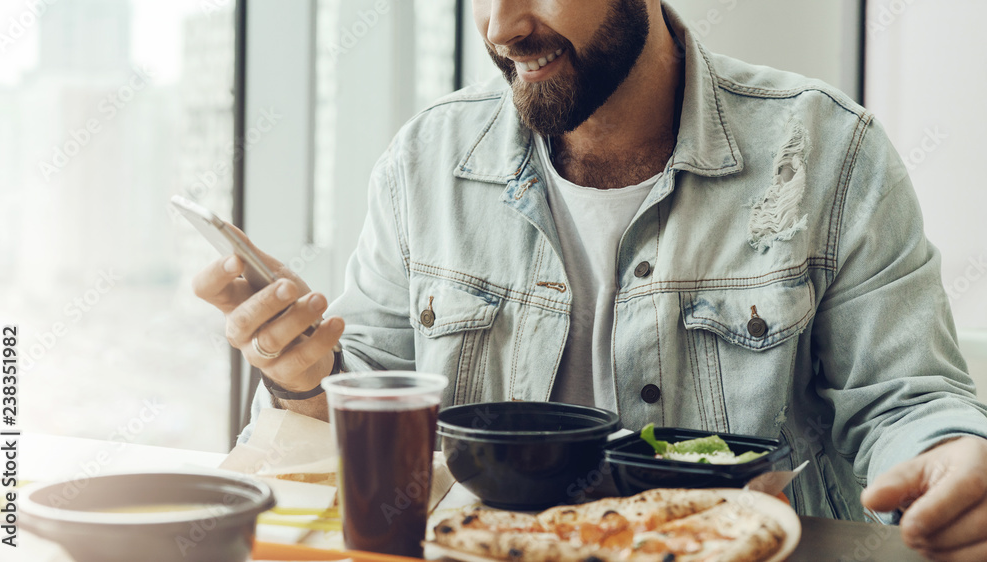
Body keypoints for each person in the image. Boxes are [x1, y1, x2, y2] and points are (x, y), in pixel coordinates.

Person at [193, 1, 987, 559]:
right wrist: (307, 374)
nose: (502, 28)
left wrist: (951, 454)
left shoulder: (829, 151)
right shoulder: (423, 160)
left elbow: (905, 398)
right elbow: (374, 384)